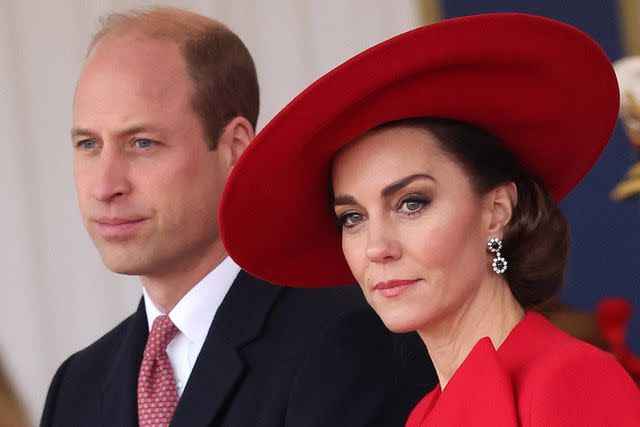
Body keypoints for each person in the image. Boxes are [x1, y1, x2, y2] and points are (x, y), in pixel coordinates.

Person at [219, 13, 640, 426]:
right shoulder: (424, 414)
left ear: (497, 212)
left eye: (412, 203)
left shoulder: (571, 380)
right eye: (352, 218)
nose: (377, 248)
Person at [40, 7, 436, 427]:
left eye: (141, 143)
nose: (104, 186)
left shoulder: (346, 338)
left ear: (236, 147)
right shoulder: (75, 386)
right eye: (88, 144)